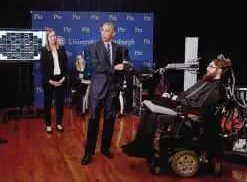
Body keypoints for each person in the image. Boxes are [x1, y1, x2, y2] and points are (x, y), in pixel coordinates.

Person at [121, 58, 231, 161]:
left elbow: (199, 105)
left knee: (154, 110)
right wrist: (172, 95)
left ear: (220, 71)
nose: (207, 68)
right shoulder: (203, 82)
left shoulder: (216, 88)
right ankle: (140, 145)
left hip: (189, 111)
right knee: (148, 108)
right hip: (181, 104)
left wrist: (177, 99)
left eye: (211, 67)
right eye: (208, 65)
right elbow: (186, 93)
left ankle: (144, 148)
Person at [81, 22, 124, 165]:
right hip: (98, 88)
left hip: (112, 89)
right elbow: (96, 67)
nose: (103, 33)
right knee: (93, 120)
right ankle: (89, 152)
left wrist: (118, 84)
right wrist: (114, 68)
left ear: (113, 33)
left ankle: (105, 148)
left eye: (107, 31)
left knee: (110, 120)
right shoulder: (93, 46)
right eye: (102, 30)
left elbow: (121, 68)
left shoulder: (118, 48)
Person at [40, 29, 68, 134]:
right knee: (47, 103)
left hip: (60, 80)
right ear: (47, 38)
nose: (53, 38)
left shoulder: (61, 49)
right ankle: (48, 125)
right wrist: (50, 81)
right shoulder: (44, 50)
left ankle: (59, 124)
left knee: (60, 103)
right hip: (48, 81)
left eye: (54, 35)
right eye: (51, 36)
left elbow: (65, 65)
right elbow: (43, 68)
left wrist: (64, 78)